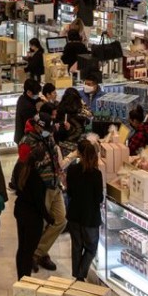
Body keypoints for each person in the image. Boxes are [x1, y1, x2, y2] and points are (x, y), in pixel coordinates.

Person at [19, 111, 65, 272]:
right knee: (41, 223)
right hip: (41, 188)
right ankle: (36, 254)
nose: (50, 132)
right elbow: (26, 168)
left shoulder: (48, 136)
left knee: (60, 220)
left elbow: (54, 158)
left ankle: (38, 252)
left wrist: (60, 175)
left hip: (55, 185)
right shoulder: (26, 142)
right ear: (38, 127)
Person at [66, 140, 103, 282]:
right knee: (91, 248)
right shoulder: (96, 174)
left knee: (76, 246)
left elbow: (69, 193)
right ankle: (81, 273)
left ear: (79, 154)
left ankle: (77, 275)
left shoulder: (72, 170)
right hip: (90, 217)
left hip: (74, 214)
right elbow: (99, 198)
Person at [13, 143, 51, 279]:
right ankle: (25, 280)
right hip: (32, 217)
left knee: (22, 248)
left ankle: (21, 278)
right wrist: (49, 218)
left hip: (20, 211)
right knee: (28, 251)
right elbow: (39, 202)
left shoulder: (21, 168)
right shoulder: (36, 177)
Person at [56, 89, 89, 158]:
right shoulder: (79, 112)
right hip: (75, 145)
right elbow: (87, 121)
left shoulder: (60, 109)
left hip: (63, 145)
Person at [14, 78, 42, 144]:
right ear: (28, 92)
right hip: (26, 140)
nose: (37, 95)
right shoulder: (27, 107)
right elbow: (33, 125)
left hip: (21, 137)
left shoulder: (22, 98)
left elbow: (34, 99)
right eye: (36, 94)